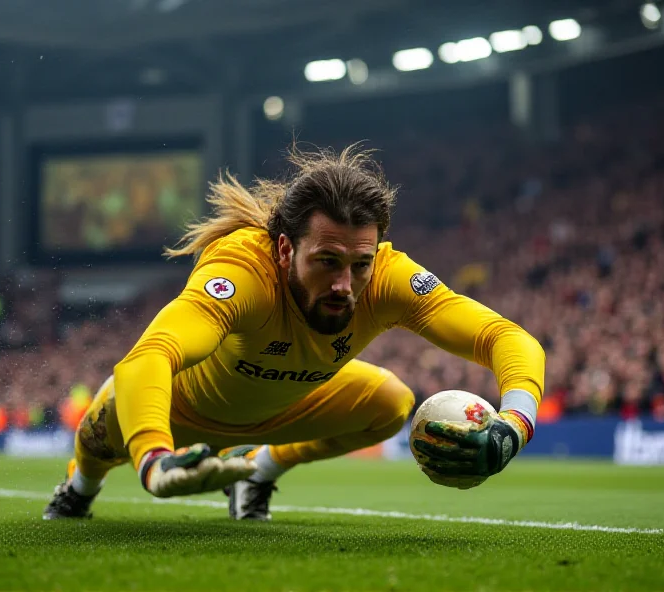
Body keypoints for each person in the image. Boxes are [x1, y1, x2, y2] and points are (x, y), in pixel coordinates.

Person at [43, 145, 545, 521]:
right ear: (285, 250)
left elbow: (506, 337)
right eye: (326, 262)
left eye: (359, 264)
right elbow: (148, 357)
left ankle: (258, 473)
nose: (344, 285)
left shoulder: (388, 277)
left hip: (285, 412)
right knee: (94, 454)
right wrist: (154, 459)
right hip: (183, 416)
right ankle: (78, 488)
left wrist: (515, 423)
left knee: (391, 403)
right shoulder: (243, 271)